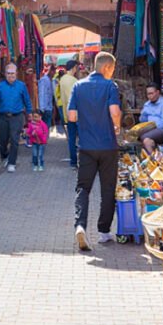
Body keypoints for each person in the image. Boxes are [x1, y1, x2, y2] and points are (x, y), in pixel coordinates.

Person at [68, 52, 122, 250]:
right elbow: (114, 111)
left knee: (83, 188)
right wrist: (117, 126)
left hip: (86, 147)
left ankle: (80, 225)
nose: (112, 73)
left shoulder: (78, 86)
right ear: (106, 67)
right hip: (108, 146)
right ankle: (104, 232)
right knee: (108, 189)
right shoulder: (110, 86)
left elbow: (71, 116)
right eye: (112, 69)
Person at [0, 63, 32, 173]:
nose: (10, 75)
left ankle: (12, 162)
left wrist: (29, 112)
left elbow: (27, 100)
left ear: (16, 73)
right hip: (3, 117)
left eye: (12, 73)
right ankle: (5, 156)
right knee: (3, 140)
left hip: (17, 116)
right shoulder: (0, 86)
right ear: (5, 74)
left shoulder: (21, 86)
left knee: (14, 139)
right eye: (8, 73)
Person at [139, 83, 163, 153]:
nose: (150, 96)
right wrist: (143, 114)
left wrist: (151, 128)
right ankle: (153, 156)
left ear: (158, 92)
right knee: (144, 139)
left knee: (144, 136)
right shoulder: (147, 104)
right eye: (148, 94)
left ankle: (152, 157)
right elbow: (142, 121)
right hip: (150, 129)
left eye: (151, 93)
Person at [59, 60, 80, 167]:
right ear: (74, 67)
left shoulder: (62, 79)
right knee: (82, 138)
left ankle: (73, 161)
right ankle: (82, 160)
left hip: (67, 113)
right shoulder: (74, 81)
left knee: (71, 139)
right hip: (78, 114)